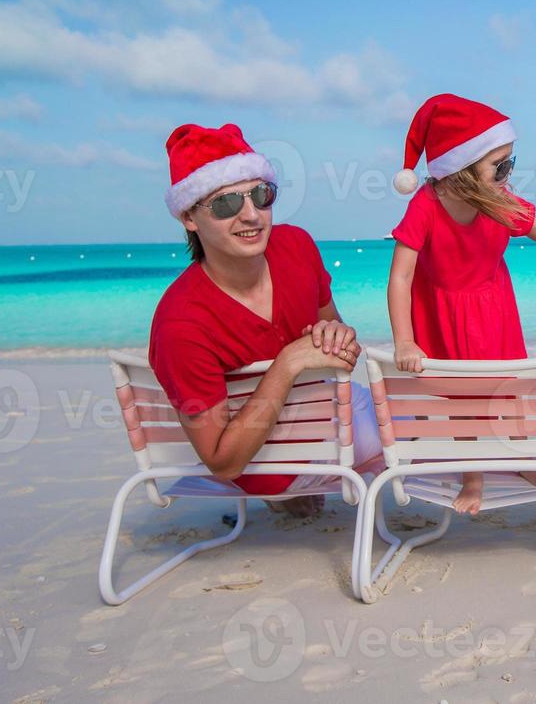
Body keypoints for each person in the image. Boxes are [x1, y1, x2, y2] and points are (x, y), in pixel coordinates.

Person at [387, 93, 536, 514]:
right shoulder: (426, 206)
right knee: (461, 400)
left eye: (510, 162)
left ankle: (519, 457)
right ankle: (472, 474)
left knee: (511, 389)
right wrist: (405, 341)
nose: (509, 172)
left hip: (493, 305)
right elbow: (400, 276)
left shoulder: (497, 202)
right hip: (443, 312)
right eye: (499, 165)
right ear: (463, 170)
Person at [148, 123, 380, 518]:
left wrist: (338, 335)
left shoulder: (296, 247)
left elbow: (346, 350)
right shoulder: (181, 324)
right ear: (189, 216)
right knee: (421, 418)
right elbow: (224, 463)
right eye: (226, 204)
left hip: (324, 431)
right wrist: (288, 363)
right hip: (267, 469)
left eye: (261, 195)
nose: (252, 215)